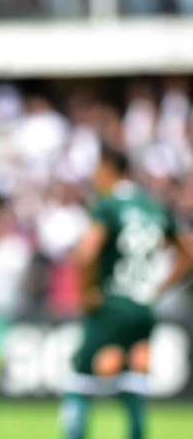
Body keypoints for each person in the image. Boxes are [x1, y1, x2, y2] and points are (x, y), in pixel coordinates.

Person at [62, 147, 193, 439]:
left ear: (110, 169)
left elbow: (85, 253)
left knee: (78, 381)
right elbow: (188, 253)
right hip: (144, 307)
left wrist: (89, 292)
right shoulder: (155, 206)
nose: (95, 176)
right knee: (133, 381)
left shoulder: (107, 206)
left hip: (112, 302)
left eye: (98, 169)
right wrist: (158, 288)